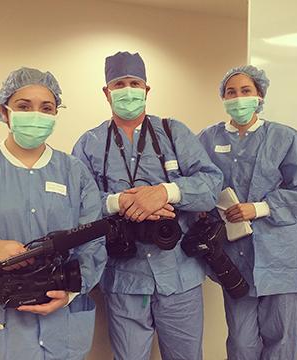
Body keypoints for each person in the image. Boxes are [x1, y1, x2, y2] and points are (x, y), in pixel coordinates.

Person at [72, 51, 223, 360]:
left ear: (146, 90)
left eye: (134, 83)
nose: (127, 90)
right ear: (106, 92)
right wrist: (119, 202)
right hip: (125, 277)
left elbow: (211, 184)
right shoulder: (89, 144)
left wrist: (167, 192)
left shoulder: (174, 132)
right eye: (119, 84)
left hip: (179, 274)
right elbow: (77, 204)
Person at [0, 67, 107, 360]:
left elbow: (93, 240)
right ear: (4, 111)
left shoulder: (74, 172)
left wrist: (72, 292)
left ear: (55, 114)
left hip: (61, 323)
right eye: (24, 106)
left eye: (46, 108)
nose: (36, 115)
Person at [198, 65, 297, 360]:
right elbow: (197, 184)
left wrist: (259, 208)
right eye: (230, 92)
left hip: (281, 255)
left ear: (259, 96)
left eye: (246, 91)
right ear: (222, 98)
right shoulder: (208, 140)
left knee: (282, 338)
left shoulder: (286, 138)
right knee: (241, 341)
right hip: (234, 256)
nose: (238, 98)